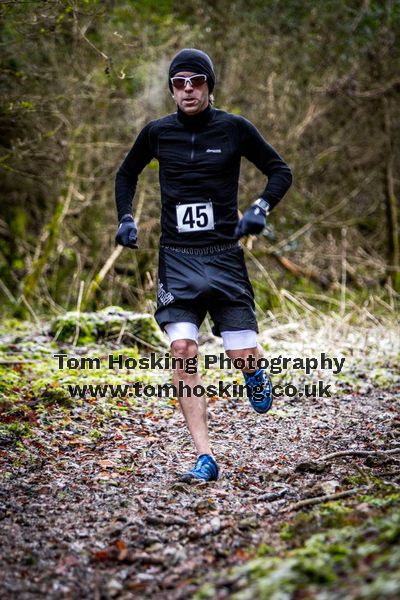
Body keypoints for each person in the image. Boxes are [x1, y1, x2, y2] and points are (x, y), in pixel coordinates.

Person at [115, 48, 292, 482]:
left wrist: (260, 209)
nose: (188, 89)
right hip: (177, 259)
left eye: (196, 81)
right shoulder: (157, 133)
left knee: (241, 352)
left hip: (225, 257)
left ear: (209, 85)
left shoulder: (234, 128)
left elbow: (279, 170)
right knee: (182, 349)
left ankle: (254, 371)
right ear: (172, 90)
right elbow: (126, 174)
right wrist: (125, 218)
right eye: (179, 83)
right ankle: (204, 455)